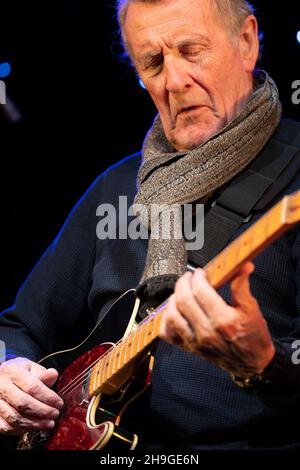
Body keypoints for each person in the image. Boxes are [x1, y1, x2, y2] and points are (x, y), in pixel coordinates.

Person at [0, 0, 300, 450]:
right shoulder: (116, 187)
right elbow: (18, 328)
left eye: (191, 50)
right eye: (153, 62)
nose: (175, 81)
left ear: (247, 41)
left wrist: (268, 364)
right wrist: (6, 372)